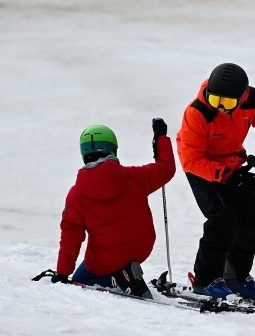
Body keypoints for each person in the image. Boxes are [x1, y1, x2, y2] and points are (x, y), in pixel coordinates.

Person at [176, 63, 255, 299]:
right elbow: (191, 159)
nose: (221, 108)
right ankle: (205, 280)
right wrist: (228, 176)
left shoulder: (254, 100)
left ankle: (236, 277)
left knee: (250, 216)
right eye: (216, 100)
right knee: (221, 217)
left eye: (229, 103)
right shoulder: (197, 112)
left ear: (242, 96)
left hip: (231, 164)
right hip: (200, 168)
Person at [51, 119, 175, 298]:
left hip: (106, 259)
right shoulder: (134, 177)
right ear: (113, 150)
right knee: (105, 261)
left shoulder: (76, 195)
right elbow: (166, 169)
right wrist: (161, 138)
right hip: (141, 249)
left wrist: (62, 273)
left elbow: (71, 236)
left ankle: (118, 279)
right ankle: (126, 273)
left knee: (79, 280)